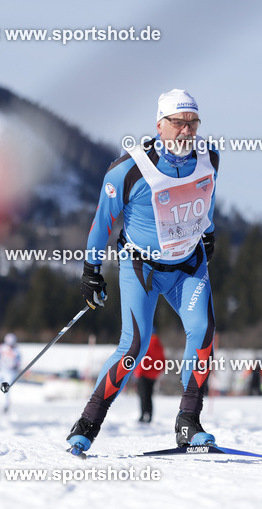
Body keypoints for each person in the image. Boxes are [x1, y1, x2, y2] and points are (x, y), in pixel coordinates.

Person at [67, 89, 219, 454]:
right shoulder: (128, 169)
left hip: (188, 265)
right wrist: (91, 271)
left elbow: (208, 196)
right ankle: (87, 424)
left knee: (203, 332)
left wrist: (208, 233)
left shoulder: (209, 156)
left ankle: (189, 422)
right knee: (133, 347)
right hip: (142, 267)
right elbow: (102, 223)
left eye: (193, 123)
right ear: (160, 124)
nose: (187, 131)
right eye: (179, 123)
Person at [136, 331, 165, 423]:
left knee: (143, 395)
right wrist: (157, 372)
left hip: (143, 374)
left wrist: (138, 373)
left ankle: (143, 415)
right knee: (149, 395)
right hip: (153, 375)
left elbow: (142, 360)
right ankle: (150, 415)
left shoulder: (146, 344)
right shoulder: (159, 345)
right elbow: (163, 361)